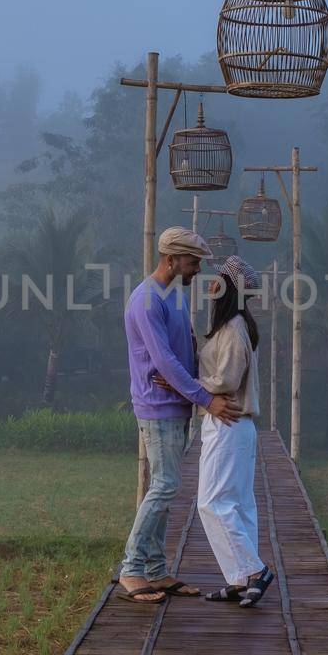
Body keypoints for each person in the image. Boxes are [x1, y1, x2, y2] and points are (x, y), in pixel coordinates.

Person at [118, 227, 241, 603]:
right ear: (171, 260)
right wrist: (206, 398)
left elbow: (184, 350)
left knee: (166, 485)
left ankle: (156, 570)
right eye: (192, 263)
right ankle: (131, 569)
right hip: (156, 407)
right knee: (165, 485)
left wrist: (197, 387)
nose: (197, 270)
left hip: (176, 405)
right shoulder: (147, 300)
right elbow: (164, 361)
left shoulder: (173, 296)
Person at [196, 255, 274, 608]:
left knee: (211, 502)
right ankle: (241, 579)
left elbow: (226, 380)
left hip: (227, 421)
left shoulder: (234, 329)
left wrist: (188, 384)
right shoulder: (235, 325)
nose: (210, 283)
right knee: (240, 505)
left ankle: (254, 571)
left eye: (217, 278)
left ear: (227, 287)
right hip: (237, 426)